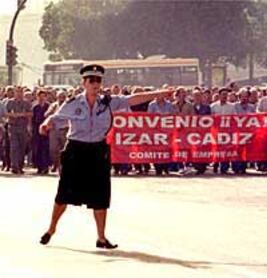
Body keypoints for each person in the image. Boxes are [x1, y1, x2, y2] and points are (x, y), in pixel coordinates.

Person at [38, 64, 173, 248]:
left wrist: (159, 93)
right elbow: (56, 117)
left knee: (100, 194)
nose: (95, 84)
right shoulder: (73, 103)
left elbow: (132, 99)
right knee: (64, 193)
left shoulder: (109, 102)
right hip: (76, 150)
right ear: (83, 83)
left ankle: (101, 238)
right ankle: (51, 229)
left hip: (98, 150)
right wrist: (46, 124)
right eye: (91, 80)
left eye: (98, 80)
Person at [5, 87, 32, 174]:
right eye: (17, 92)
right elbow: (5, 113)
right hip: (13, 127)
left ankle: (20, 165)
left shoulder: (26, 103)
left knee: (22, 147)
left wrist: (21, 115)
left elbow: (31, 113)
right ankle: (14, 166)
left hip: (23, 127)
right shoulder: (10, 102)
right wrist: (13, 115)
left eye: (20, 92)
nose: (19, 94)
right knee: (14, 147)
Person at [44, 90, 68, 173]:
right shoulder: (54, 105)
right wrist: (53, 113)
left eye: (63, 97)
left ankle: (62, 166)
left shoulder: (69, 106)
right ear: (57, 97)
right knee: (53, 149)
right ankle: (55, 163)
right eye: (60, 97)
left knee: (64, 149)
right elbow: (46, 114)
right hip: (54, 130)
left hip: (65, 130)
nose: (61, 99)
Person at [32, 90, 50, 174]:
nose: (42, 98)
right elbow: (32, 119)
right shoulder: (35, 107)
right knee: (38, 148)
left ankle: (45, 166)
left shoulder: (49, 106)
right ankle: (39, 167)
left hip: (46, 129)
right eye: (40, 96)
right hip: (36, 129)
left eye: (43, 96)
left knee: (45, 148)